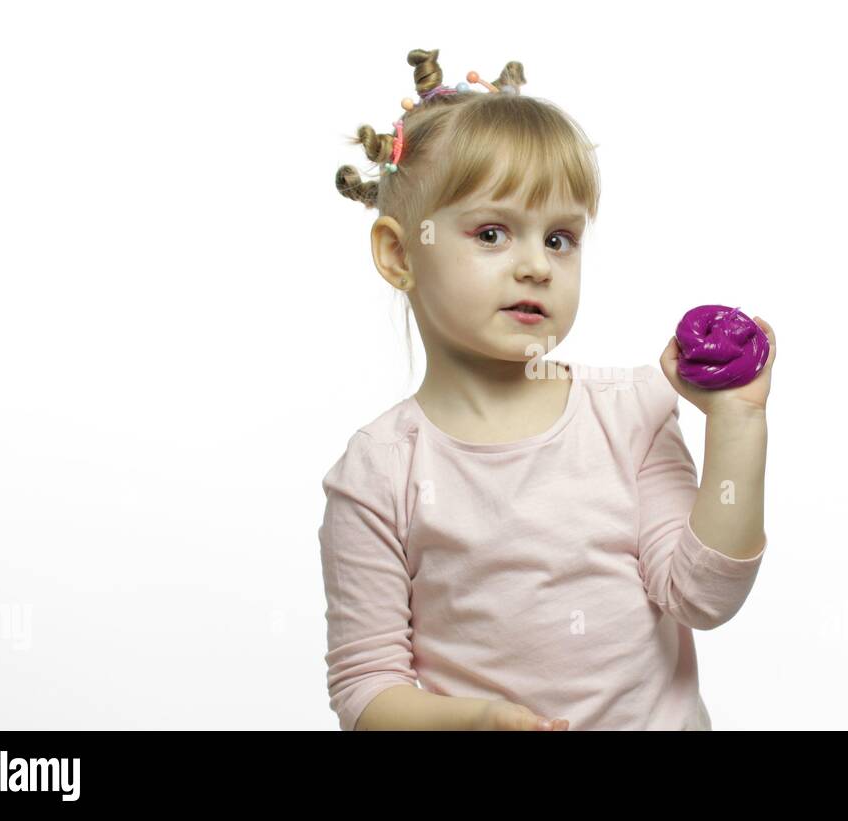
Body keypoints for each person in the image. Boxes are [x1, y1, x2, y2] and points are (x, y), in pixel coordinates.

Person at [320, 48, 776, 730]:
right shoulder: (378, 469)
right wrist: (473, 720)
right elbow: (366, 688)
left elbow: (703, 596)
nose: (536, 265)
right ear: (398, 253)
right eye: (493, 232)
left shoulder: (631, 414)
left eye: (560, 238)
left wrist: (738, 422)